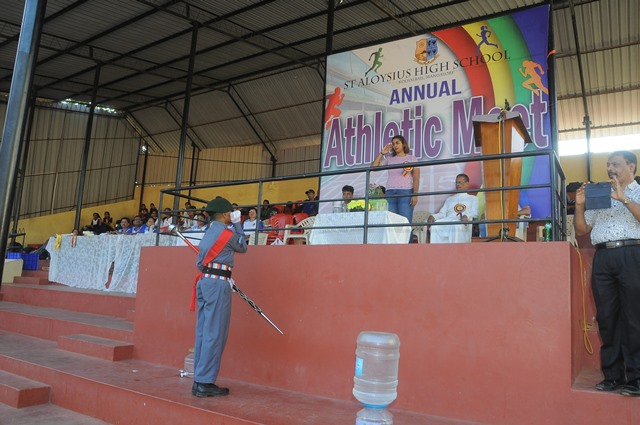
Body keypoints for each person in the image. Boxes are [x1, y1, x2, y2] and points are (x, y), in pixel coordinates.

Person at [574, 150, 640, 397]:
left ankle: (637, 378)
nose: (610, 168)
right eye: (608, 164)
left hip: (632, 254)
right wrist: (579, 206)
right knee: (607, 318)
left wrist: (624, 199)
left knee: (634, 317)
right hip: (603, 258)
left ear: (631, 166)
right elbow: (582, 230)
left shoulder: (638, 192)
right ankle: (612, 376)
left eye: (616, 164)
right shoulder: (600, 193)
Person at [192, 197, 247, 398]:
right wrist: (238, 224)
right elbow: (243, 246)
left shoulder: (207, 233)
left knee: (203, 331)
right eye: (231, 213)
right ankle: (205, 382)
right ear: (225, 215)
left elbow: (200, 264)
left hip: (204, 281)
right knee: (215, 333)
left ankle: (198, 379)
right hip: (217, 285)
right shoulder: (227, 233)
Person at [372, 134, 420, 223]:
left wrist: (415, 194)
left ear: (403, 144)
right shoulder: (389, 159)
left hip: (406, 192)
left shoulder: (412, 158)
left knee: (405, 221)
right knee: (391, 222)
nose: (395, 146)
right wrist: (382, 153)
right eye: (393, 144)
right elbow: (373, 168)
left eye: (397, 143)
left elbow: (416, 178)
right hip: (390, 192)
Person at [427, 174, 478, 244]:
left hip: (461, 221)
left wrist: (467, 216)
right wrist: (433, 216)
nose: (458, 184)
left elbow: (475, 213)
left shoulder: (473, 198)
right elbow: (442, 213)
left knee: (456, 226)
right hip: (448, 220)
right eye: (456, 182)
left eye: (460, 182)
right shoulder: (450, 199)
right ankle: (437, 250)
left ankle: (456, 250)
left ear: (467, 184)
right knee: (435, 226)